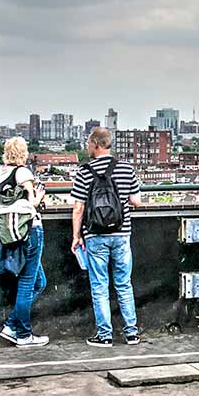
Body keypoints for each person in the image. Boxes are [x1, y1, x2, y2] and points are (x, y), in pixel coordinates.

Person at [71, 127, 141, 347]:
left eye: (89, 144)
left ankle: (104, 335)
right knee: (124, 283)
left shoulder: (84, 171)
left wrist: (76, 236)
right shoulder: (126, 168)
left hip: (95, 234)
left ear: (96, 144)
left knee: (100, 285)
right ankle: (131, 333)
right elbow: (136, 201)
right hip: (121, 233)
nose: (87, 147)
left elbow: (78, 208)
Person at [0, 136, 49, 347]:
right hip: (30, 230)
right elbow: (31, 202)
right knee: (27, 284)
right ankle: (23, 334)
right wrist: (40, 196)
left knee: (40, 282)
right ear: (23, 153)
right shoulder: (23, 172)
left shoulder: (0, 174)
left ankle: (11, 326)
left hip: (11, 235)